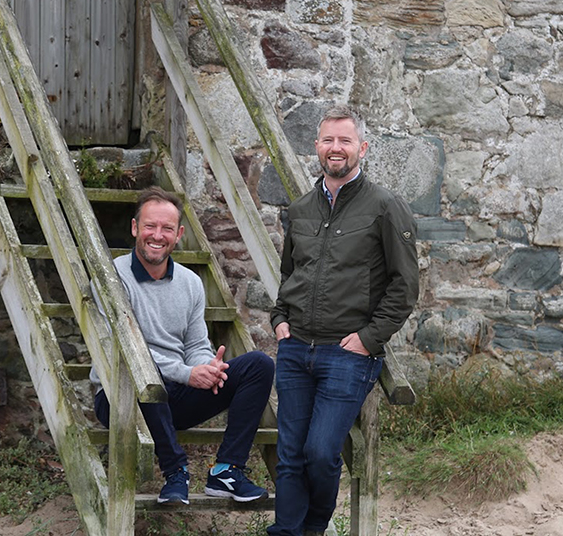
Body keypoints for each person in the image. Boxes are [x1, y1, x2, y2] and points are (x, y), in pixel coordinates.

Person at [267, 105, 418, 536]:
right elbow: (290, 274)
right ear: (316, 147)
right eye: (328, 140)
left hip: (347, 354)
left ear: (362, 148)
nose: (336, 148)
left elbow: (404, 286)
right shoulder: (300, 210)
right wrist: (280, 318)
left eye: (345, 141)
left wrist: (370, 339)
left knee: (320, 451)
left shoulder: (386, 207)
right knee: (290, 452)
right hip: (296, 350)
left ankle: (313, 528)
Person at [91, 186, 275, 505]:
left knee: (259, 365)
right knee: (147, 376)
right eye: (150, 226)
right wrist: (187, 373)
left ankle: (226, 471)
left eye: (166, 229)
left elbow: (195, 345)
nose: (157, 235)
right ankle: (176, 472)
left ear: (178, 235)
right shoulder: (111, 277)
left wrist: (205, 366)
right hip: (120, 397)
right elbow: (124, 350)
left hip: (174, 394)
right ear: (135, 228)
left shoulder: (190, 283)